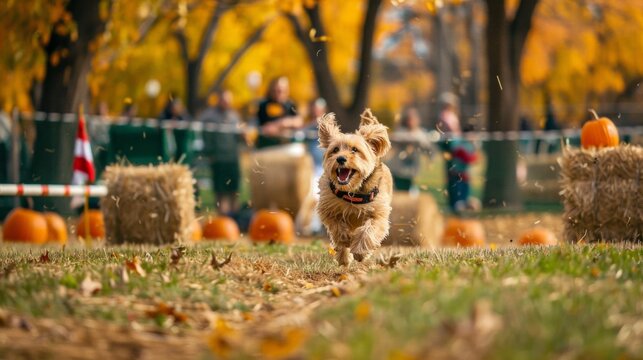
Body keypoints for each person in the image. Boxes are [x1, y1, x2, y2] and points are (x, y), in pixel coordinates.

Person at [198, 90, 242, 215]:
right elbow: (205, 136)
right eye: (224, 99)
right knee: (220, 190)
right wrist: (209, 153)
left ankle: (235, 216)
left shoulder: (234, 116)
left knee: (234, 189)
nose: (226, 102)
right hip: (218, 158)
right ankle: (222, 217)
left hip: (232, 158)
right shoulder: (209, 116)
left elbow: (238, 137)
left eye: (229, 100)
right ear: (219, 99)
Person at [387, 107, 433, 191]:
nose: (410, 122)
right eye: (409, 119)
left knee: (411, 193)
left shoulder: (420, 134)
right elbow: (394, 140)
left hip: (411, 170)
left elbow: (428, 148)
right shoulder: (401, 131)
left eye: (412, 119)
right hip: (399, 170)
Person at [256, 77, 303, 148]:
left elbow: (299, 121)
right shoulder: (264, 105)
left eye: (282, 90)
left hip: (287, 144)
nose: (279, 93)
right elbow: (262, 126)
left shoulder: (290, 104)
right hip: (268, 145)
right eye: (276, 90)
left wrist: (282, 123)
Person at [443, 123, 479, 213]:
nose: (474, 137)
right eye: (473, 134)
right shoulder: (459, 144)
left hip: (464, 176)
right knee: (457, 199)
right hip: (456, 175)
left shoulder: (470, 145)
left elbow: (475, 158)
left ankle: (460, 212)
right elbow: (468, 158)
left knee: (464, 197)